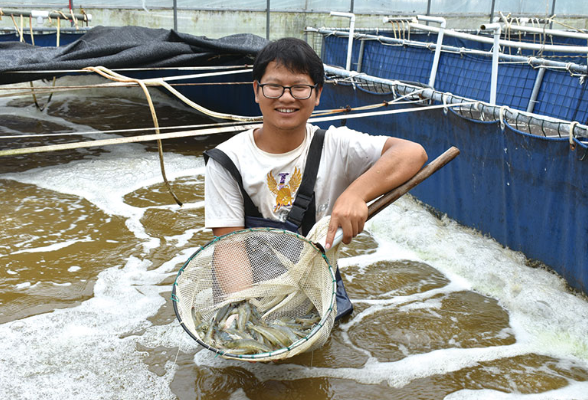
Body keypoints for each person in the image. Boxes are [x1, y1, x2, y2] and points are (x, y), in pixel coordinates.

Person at [204, 37, 427, 320]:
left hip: (317, 289)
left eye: (299, 87)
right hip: (250, 292)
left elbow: (412, 154)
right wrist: (246, 316)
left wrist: (355, 194)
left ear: (317, 93)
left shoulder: (336, 144)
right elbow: (230, 248)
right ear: (257, 91)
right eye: (274, 86)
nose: (286, 97)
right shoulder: (227, 159)